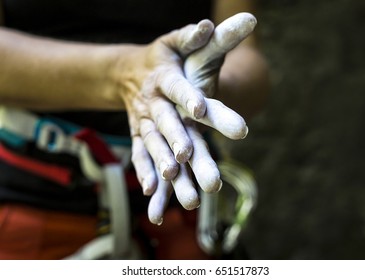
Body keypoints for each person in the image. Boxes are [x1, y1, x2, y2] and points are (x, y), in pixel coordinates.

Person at [0, 0, 268, 259]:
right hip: (34, 197)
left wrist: (203, 92)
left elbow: (246, 57)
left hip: (183, 204)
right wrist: (125, 74)